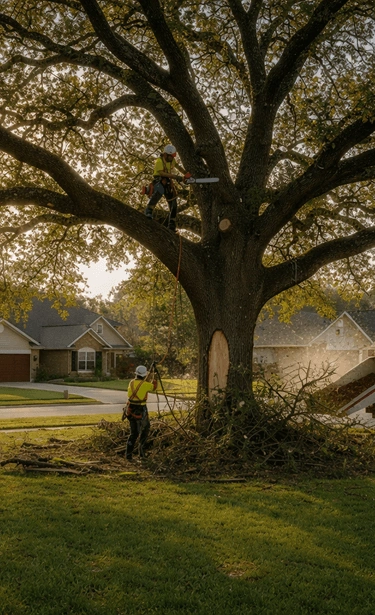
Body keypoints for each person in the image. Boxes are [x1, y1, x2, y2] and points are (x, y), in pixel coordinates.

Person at [144, 144, 189, 232]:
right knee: (159, 190)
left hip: (168, 181)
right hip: (159, 180)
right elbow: (162, 173)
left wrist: (186, 175)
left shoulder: (171, 160)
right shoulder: (159, 161)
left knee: (174, 203)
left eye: (173, 156)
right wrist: (177, 177)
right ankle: (148, 210)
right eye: (170, 156)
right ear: (165, 154)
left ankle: (172, 223)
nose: (172, 158)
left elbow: (178, 167)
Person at [124, 364, 157, 460]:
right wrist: (154, 376)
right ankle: (141, 454)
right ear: (144, 375)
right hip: (141, 409)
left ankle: (128, 455)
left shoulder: (131, 382)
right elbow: (154, 387)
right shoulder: (145, 385)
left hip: (130, 408)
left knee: (133, 433)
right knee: (145, 430)